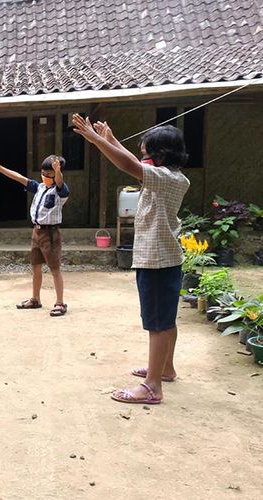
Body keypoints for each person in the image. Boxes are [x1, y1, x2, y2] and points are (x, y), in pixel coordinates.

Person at [72, 114, 190, 405]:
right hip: (163, 259)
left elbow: (130, 166)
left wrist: (97, 141)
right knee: (166, 320)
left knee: (157, 324)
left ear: (160, 156)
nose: (143, 158)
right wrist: (110, 139)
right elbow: (135, 164)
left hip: (158, 261)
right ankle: (165, 370)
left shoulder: (166, 178)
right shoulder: (170, 176)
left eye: (147, 153)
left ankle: (152, 387)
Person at [0, 155, 70, 317]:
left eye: (49, 174)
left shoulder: (60, 192)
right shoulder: (39, 187)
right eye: (43, 173)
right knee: (35, 266)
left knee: (54, 268)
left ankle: (60, 303)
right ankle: (35, 299)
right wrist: (0, 169)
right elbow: (20, 178)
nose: (45, 176)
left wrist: (57, 172)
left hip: (50, 233)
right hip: (37, 232)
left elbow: (59, 182)